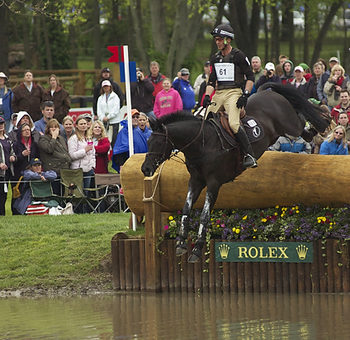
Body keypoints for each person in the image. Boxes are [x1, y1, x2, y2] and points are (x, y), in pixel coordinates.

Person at [202, 23, 256, 168]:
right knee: (204, 120)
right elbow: (212, 81)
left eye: (220, 39)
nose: (217, 42)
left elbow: (250, 76)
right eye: (216, 39)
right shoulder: (215, 58)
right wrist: (207, 95)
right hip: (219, 93)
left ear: (228, 40)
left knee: (233, 123)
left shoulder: (238, 55)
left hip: (234, 92)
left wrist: (245, 94)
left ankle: (249, 154)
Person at [38, 118, 71, 195]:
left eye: (56, 127)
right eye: (52, 127)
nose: (54, 129)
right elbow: (49, 149)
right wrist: (53, 138)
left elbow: (65, 152)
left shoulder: (62, 138)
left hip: (64, 172)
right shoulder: (43, 139)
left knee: (65, 194)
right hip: (53, 172)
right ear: (48, 128)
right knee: (56, 194)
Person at [67, 115, 95, 192]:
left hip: (88, 170)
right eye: (81, 124)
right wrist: (84, 150)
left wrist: (93, 165)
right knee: (79, 193)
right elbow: (72, 155)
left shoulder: (89, 138)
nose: (83, 126)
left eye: (85, 124)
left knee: (87, 192)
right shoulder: (73, 138)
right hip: (78, 170)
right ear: (77, 126)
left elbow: (93, 154)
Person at [96, 79, 121, 148]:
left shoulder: (115, 97)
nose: (106, 88)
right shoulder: (100, 98)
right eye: (104, 87)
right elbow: (99, 110)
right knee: (104, 139)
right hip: (103, 122)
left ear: (110, 87)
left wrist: (108, 117)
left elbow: (116, 110)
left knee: (114, 140)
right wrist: (102, 117)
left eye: (107, 86)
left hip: (114, 122)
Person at [0, 116, 16, 215]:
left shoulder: (7, 138)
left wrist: (13, 157)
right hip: (0, 172)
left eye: (2, 123)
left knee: (5, 195)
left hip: (8, 171)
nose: (0, 126)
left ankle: (3, 214)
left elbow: (12, 151)